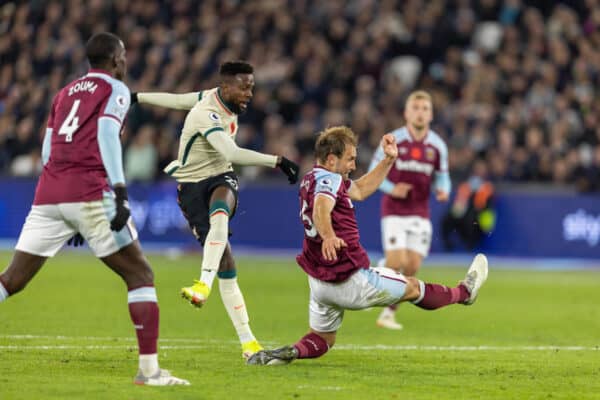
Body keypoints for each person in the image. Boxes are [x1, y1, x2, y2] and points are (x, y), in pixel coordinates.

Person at [0, 32, 188, 386]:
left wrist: (65, 215)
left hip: (48, 195)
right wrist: (119, 191)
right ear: (116, 59)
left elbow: (46, 152)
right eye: (125, 56)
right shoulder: (114, 89)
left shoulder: (64, 92)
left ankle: (150, 371)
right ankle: (149, 372)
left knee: (11, 280)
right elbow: (105, 134)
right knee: (141, 276)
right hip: (89, 191)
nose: (126, 61)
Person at [246, 126, 488, 366]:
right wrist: (329, 235)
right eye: (350, 159)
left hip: (320, 283)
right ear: (331, 160)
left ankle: (287, 354)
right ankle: (464, 293)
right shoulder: (330, 179)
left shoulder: (312, 179)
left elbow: (361, 189)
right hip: (351, 279)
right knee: (413, 287)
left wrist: (388, 160)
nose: (353, 165)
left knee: (322, 338)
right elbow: (322, 206)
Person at [130, 61, 299, 359]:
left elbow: (178, 99)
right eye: (244, 88)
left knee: (221, 211)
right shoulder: (207, 114)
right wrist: (277, 160)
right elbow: (232, 151)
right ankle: (248, 343)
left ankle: (205, 289)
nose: (249, 94)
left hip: (220, 177)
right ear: (226, 87)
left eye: (252, 87)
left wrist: (138, 96)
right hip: (191, 187)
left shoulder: (212, 98)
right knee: (228, 264)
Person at [369, 90, 451, 330]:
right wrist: (392, 188)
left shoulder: (437, 146)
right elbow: (373, 172)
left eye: (425, 109)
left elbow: (442, 177)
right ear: (406, 113)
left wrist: (443, 190)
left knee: (412, 266)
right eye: (415, 108)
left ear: (431, 115)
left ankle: (388, 313)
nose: (420, 113)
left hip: (420, 211)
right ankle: (384, 270)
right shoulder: (393, 140)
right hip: (394, 210)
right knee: (396, 262)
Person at [442, 159, 495, 251]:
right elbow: (459, 201)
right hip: (465, 211)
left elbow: (486, 205)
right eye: (477, 169)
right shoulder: (466, 185)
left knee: (470, 219)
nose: (479, 171)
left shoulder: (487, 187)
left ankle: (470, 245)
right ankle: (448, 245)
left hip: (480, 214)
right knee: (448, 218)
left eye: (481, 169)